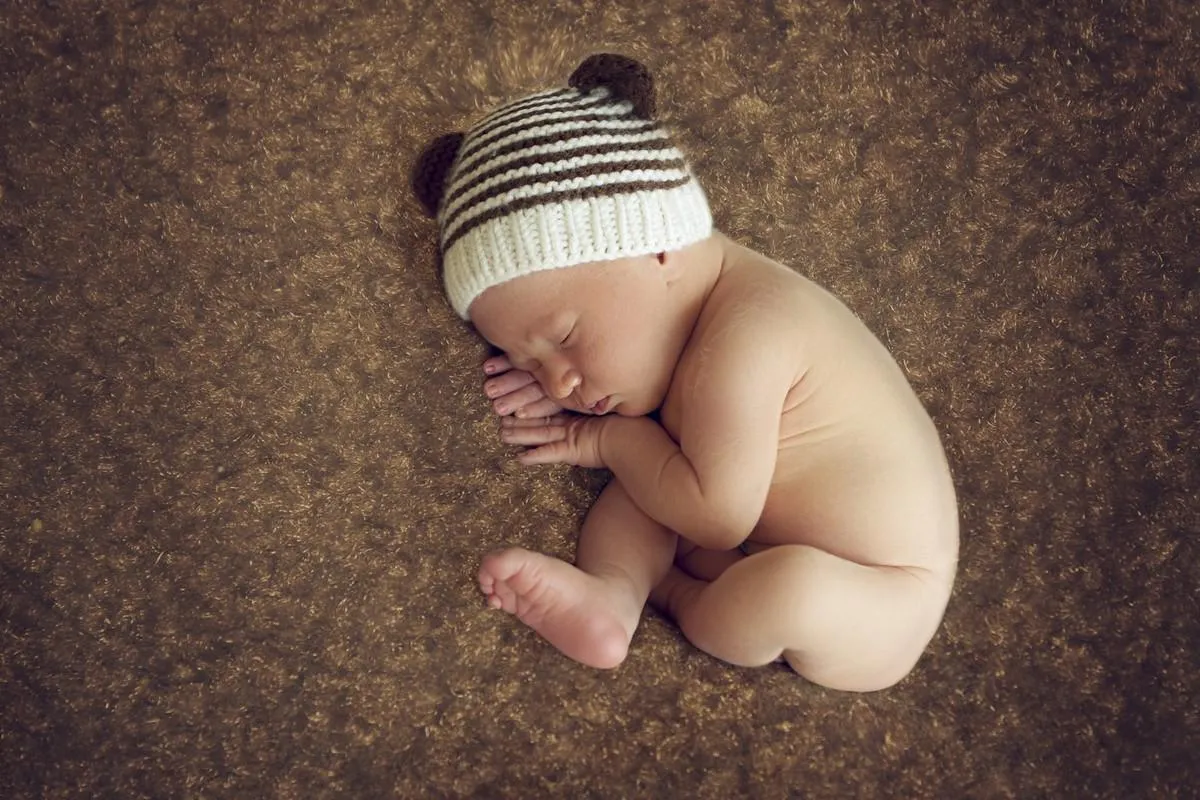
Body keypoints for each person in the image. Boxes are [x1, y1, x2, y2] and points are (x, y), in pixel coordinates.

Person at [412, 54, 958, 691]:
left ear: (658, 248)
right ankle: (612, 595)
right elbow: (673, 451)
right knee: (652, 478)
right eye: (527, 360)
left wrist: (604, 438)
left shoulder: (753, 331)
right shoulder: (672, 319)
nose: (558, 380)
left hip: (875, 603)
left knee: (782, 581)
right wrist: (562, 384)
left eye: (564, 338)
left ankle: (672, 596)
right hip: (744, 538)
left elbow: (717, 516)